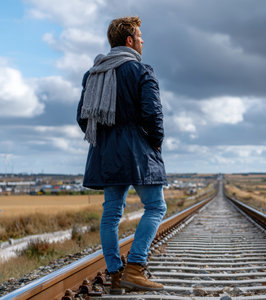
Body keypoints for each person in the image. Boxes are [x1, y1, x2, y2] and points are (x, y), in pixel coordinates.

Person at [76, 16, 166, 293]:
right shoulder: (141, 71)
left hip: (105, 152)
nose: (142, 41)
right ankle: (136, 268)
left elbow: (82, 117)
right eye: (140, 37)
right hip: (138, 149)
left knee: (111, 214)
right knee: (156, 207)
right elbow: (153, 115)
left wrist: (104, 135)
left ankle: (116, 275)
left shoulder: (94, 73)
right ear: (129, 40)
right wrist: (155, 143)